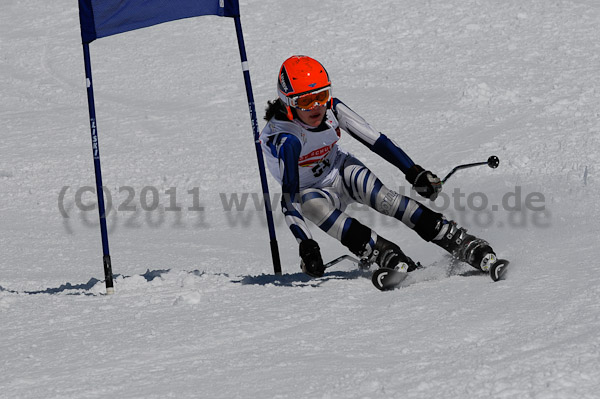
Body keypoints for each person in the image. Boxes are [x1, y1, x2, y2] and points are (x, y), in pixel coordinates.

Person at [259, 55, 497, 277]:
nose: (317, 107)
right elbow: (289, 199)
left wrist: (414, 172)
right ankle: (384, 251)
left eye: (321, 96)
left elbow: (376, 140)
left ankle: (457, 238)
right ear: (288, 103)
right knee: (311, 205)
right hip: (310, 190)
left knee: (386, 200)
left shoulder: (332, 108)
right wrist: (307, 245)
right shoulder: (287, 139)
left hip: (340, 171)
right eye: (306, 101)